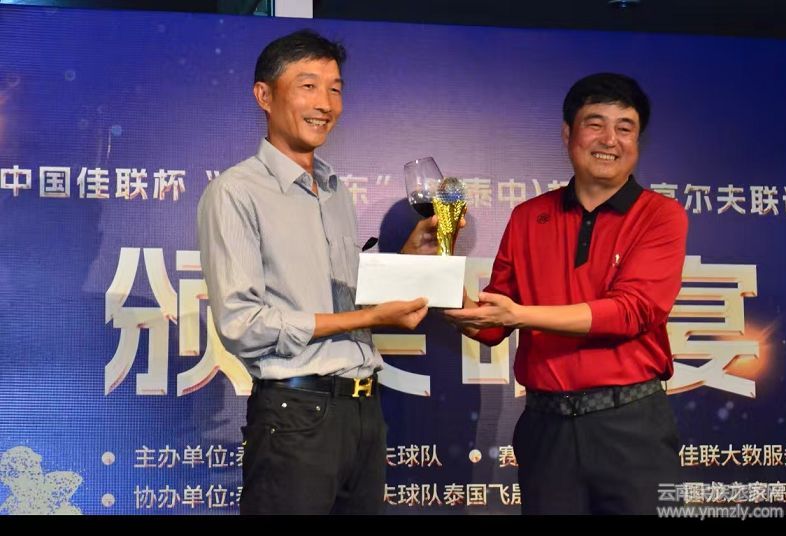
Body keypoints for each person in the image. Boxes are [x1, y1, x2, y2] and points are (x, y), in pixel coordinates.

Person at [197, 29, 437, 515]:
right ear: (264, 95)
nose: (325, 103)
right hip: (296, 415)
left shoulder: (334, 190)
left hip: (364, 411)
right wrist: (368, 319)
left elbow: (350, 298)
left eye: (335, 88)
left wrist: (410, 257)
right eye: (308, 86)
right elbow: (243, 325)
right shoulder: (236, 192)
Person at [445, 73, 688, 514]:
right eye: (595, 124)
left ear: (638, 141)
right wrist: (436, 274)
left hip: (631, 426)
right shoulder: (528, 217)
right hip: (546, 427)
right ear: (567, 134)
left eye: (625, 128)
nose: (609, 140)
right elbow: (492, 323)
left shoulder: (660, 215)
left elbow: (631, 312)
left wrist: (521, 315)